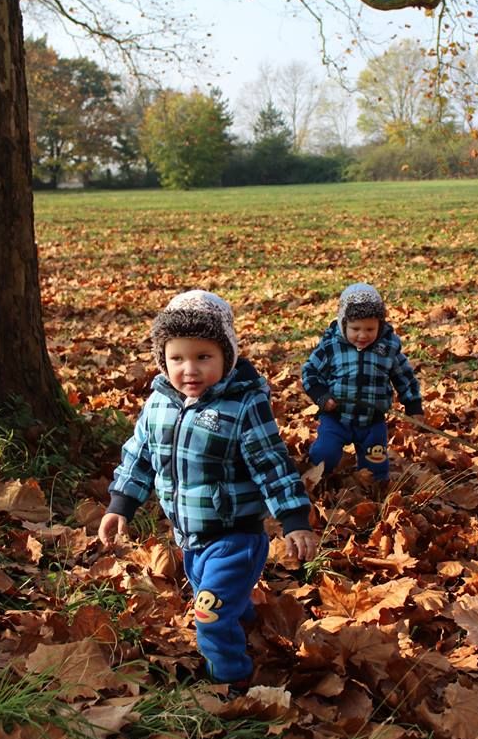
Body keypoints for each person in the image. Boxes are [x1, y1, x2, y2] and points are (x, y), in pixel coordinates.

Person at [98, 289, 318, 688]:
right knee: (220, 604)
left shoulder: (242, 405)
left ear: (227, 357)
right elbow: (139, 457)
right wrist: (121, 504)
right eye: (177, 358)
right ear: (162, 359)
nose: (189, 370)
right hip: (190, 540)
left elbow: (273, 466)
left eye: (204, 357)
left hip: (236, 538)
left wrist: (294, 519)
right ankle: (257, 631)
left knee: (210, 615)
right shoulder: (159, 403)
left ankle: (230, 685)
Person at [302, 282, 423, 488]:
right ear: (343, 324)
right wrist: (322, 397)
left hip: (372, 421)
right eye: (355, 328)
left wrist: (413, 406)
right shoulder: (332, 346)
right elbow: (310, 372)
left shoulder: (388, 347)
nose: (363, 335)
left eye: (370, 328)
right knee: (325, 453)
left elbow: (404, 376)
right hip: (336, 417)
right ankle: (313, 482)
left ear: (380, 325)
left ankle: (374, 492)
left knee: (375, 465)